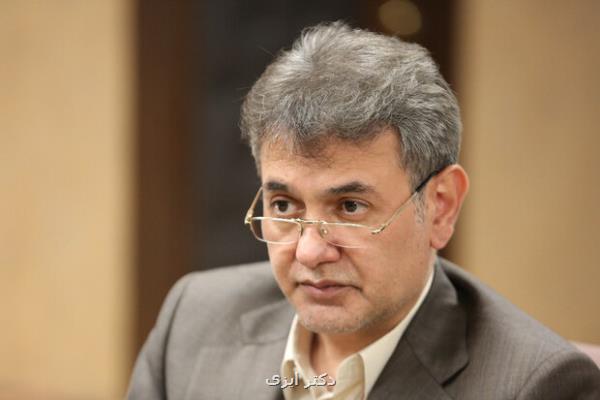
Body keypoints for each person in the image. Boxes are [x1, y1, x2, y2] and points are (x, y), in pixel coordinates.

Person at [127, 22, 600, 399]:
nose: (309, 252)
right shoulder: (193, 320)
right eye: (284, 205)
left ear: (440, 206)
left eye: (350, 207)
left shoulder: (538, 385)